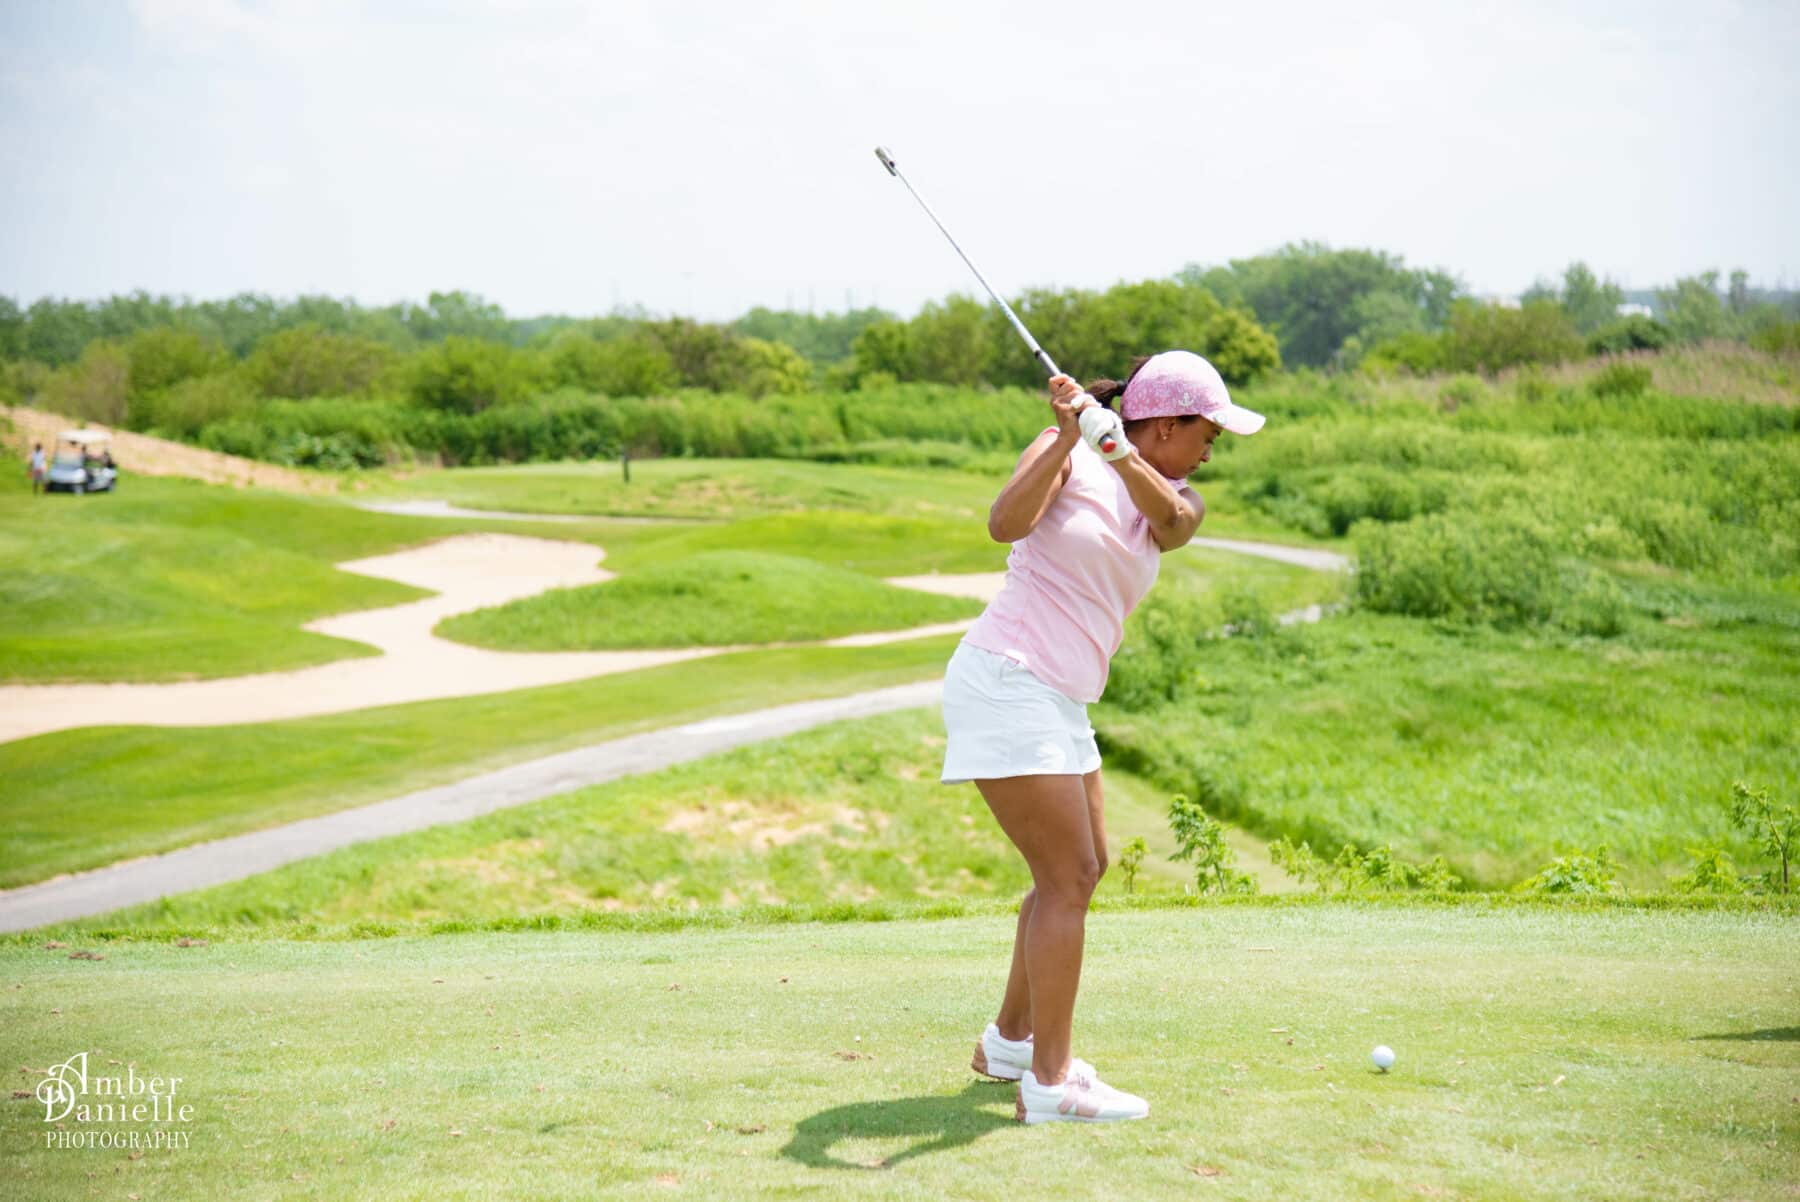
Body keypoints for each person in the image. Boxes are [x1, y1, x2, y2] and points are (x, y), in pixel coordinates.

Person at [941, 350, 1264, 1124]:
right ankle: (1050, 1085)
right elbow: (1003, 525)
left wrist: (1114, 447)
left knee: (1085, 869)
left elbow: (1173, 524)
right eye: (1208, 431)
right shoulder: (1065, 455)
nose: (1212, 449)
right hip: (1009, 677)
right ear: (1168, 424)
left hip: (1061, 696)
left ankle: (1010, 1042)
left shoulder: (1176, 497)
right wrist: (1065, 436)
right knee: (1069, 876)